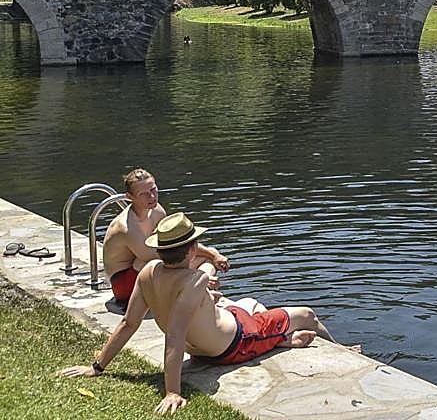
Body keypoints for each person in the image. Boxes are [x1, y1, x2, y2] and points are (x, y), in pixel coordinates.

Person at [61, 213, 352, 416]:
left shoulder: (148, 272)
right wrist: (172, 391)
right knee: (306, 313)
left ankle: (282, 341)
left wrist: (97, 366)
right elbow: (174, 337)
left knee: (249, 303)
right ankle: (338, 349)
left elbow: (129, 323)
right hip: (237, 343)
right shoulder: (194, 281)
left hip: (208, 342)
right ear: (191, 248)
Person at [103, 169, 228, 312]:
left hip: (148, 271)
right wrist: (195, 275)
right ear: (130, 197)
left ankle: (198, 288)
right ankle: (198, 287)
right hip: (125, 285)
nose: (151, 196)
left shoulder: (156, 210)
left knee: (208, 259)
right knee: (151, 262)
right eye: (143, 194)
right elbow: (162, 257)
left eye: (153, 189)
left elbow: (175, 242)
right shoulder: (126, 228)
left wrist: (213, 254)